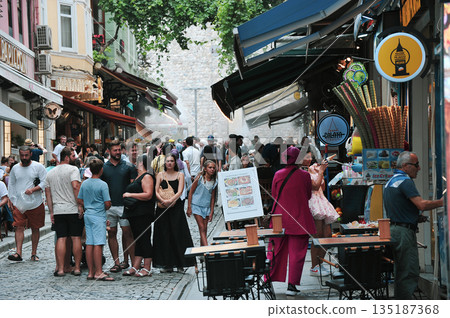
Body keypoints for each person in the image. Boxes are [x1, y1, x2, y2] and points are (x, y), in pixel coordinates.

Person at [383, 151, 443, 299]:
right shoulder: (405, 181)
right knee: (408, 272)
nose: (419, 168)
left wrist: (414, 217)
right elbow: (421, 204)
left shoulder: (390, 181)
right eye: (416, 165)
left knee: (401, 271)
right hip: (403, 232)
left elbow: (399, 207)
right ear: (405, 166)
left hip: (394, 230)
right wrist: (443, 202)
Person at [266, 146, 316, 296]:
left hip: (280, 219)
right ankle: (292, 285)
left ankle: (267, 279)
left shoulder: (278, 174)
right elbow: (308, 196)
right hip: (300, 218)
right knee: (297, 254)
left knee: (275, 250)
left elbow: (275, 195)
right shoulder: (305, 176)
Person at [45, 147, 84, 277]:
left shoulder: (50, 173)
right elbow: (75, 186)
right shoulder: (73, 170)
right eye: (73, 156)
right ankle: (77, 268)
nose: (75, 158)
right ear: (66, 157)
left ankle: (61, 269)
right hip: (72, 208)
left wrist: (51, 212)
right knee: (76, 237)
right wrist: (80, 204)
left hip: (58, 210)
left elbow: (48, 194)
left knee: (61, 238)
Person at [153, 153, 195, 272]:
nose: (169, 163)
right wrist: (163, 201)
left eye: (172, 161)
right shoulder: (160, 175)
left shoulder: (180, 175)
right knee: (164, 235)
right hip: (162, 209)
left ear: (175, 163)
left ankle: (180, 263)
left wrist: (171, 200)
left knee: (178, 234)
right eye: (168, 161)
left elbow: (180, 190)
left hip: (176, 208)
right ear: (165, 163)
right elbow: (156, 191)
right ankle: (167, 264)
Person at [101, 140, 137, 272]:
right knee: (112, 233)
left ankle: (132, 263)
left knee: (128, 233)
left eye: (119, 150)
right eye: (115, 150)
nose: (118, 152)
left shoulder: (128, 166)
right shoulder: (103, 168)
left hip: (124, 206)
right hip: (109, 206)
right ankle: (116, 262)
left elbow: (133, 187)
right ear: (109, 151)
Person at [7, 146, 47, 262]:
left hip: (35, 202)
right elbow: (12, 185)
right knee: (19, 227)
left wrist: (34, 189)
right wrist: (12, 200)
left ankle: (34, 253)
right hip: (19, 203)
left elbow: (45, 182)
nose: (24, 157)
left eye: (26, 155)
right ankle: (18, 253)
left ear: (30, 154)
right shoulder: (15, 168)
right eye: (22, 155)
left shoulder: (38, 167)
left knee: (35, 227)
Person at [77, 159, 114, 281]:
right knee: (98, 243)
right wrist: (103, 206)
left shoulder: (85, 183)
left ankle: (91, 272)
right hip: (98, 215)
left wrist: (88, 204)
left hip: (88, 214)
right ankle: (98, 271)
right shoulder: (103, 185)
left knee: (89, 243)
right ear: (101, 170)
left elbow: (79, 200)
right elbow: (107, 203)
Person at [303, 153, 339, 276]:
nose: (308, 159)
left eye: (309, 157)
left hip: (321, 200)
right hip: (313, 202)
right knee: (317, 235)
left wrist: (321, 171)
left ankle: (320, 262)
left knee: (327, 234)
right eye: (305, 157)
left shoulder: (314, 168)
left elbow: (322, 188)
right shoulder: (303, 172)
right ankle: (314, 266)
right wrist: (321, 172)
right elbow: (315, 186)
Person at [121, 154, 155, 277]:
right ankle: (136, 266)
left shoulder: (146, 177)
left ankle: (147, 267)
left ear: (141, 163)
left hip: (143, 213)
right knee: (138, 239)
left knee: (144, 238)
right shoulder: (138, 177)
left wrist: (130, 195)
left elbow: (148, 194)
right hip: (134, 213)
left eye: (137, 161)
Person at [187, 160, 217, 246]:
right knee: (202, 228)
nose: (212, 169)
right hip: (196, 206)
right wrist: (189, 207)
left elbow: (212, 198)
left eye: (213, 168)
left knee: (204, 229)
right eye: (210, 167)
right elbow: (191, 192)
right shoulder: (199, 178)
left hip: (206, 207)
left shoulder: (214, 181)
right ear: (205, 169)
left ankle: (202, 251)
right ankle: (207, 250)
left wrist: (211, 211)